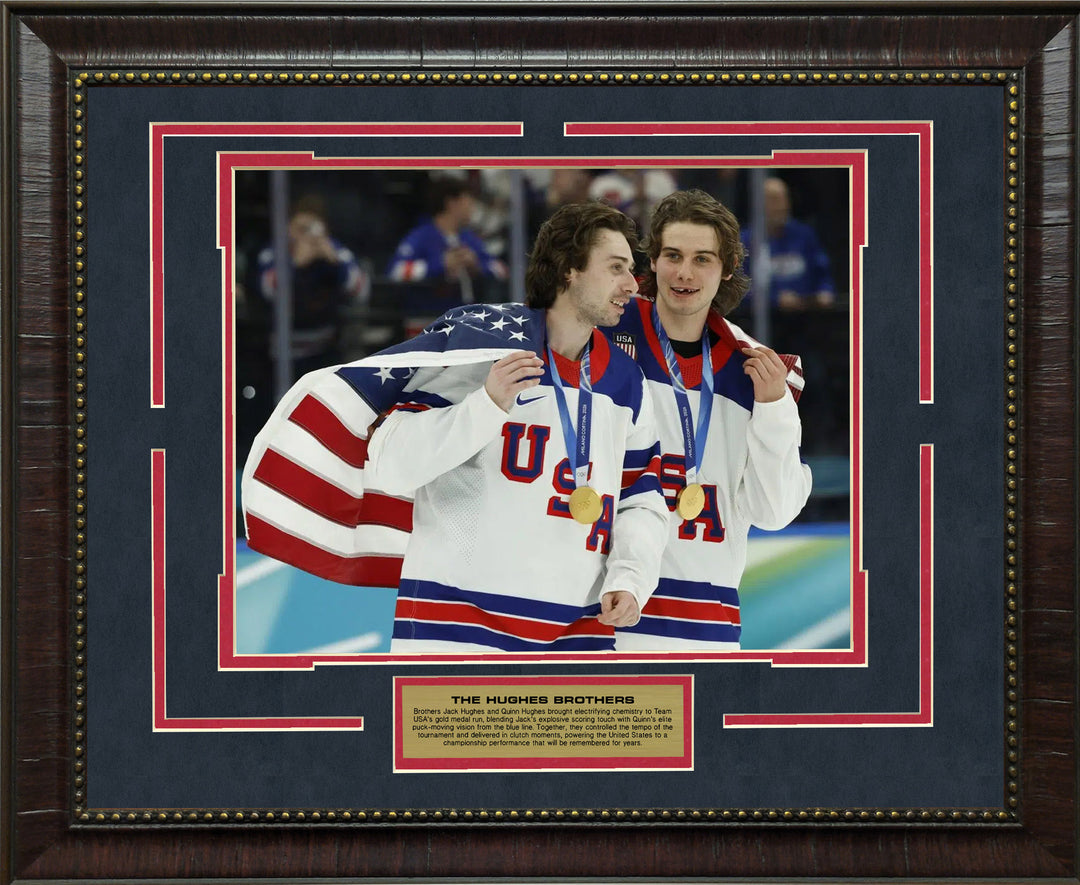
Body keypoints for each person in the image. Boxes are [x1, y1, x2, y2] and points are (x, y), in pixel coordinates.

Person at [243, 201, 670, 653]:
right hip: (457, 632)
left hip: (577, 637)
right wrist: (485, 404)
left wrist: (631, 576)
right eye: (617, 268)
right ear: (570, 270)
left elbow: (642, 497)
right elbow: (390, 463)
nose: (632, 284)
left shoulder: (627, 382)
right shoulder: (480, 351)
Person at [602, 189, 813, 650]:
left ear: (728, 269)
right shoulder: (598, 338)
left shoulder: (754, 373)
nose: (684, 273)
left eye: (703, 259)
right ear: (652, 261)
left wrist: (774, 408)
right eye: (673, 255)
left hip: (703, 628)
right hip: (599, 613)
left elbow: (774, 513)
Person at [253, 202, 368, 380]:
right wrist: (296, 263)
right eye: (301, 229)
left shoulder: (334, 250)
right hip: (283, 353)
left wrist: (336, 263)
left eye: (312, 228)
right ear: (289, 227)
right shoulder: (275, 251)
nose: (307, 235)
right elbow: (267, 289)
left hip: (326, 350)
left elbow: (360, 290)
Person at [386, 176, 508, 296]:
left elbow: (501, 270)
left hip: (466, 313)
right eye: (468, 202)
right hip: (427, 313)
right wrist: (441, 264)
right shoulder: (422, 237)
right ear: (451, 203)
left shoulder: (468, 238)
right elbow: (396, 271)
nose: (471, 209)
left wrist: (476, 266)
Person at [740, 176, 836, 310]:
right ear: (759, 203)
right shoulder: (745, 241)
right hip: (765, 321)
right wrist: (774, 299)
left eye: (785, 198)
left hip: (808, 317)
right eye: (774, 200)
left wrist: (825, 291)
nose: (782, 206)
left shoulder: (805, 235)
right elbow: (738, 290)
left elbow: (822, 273)